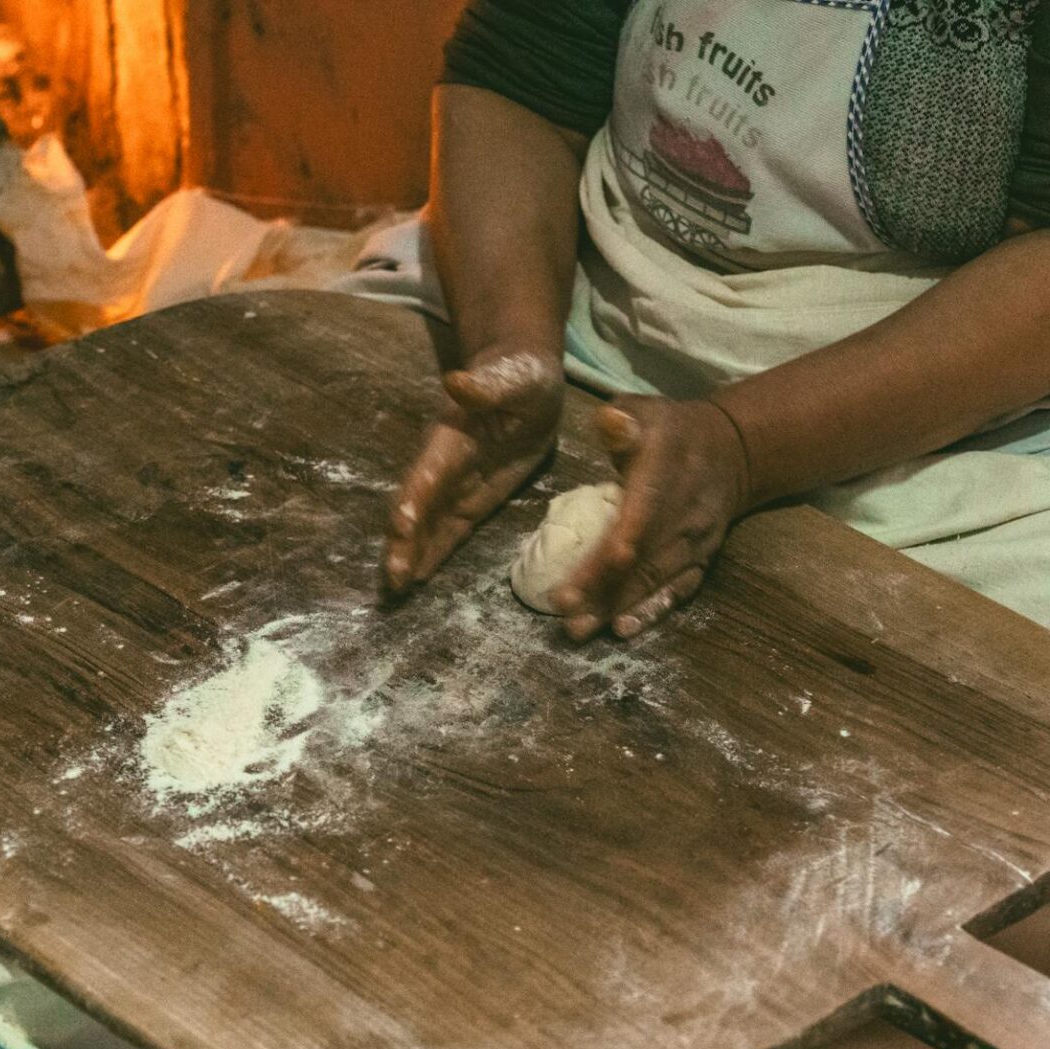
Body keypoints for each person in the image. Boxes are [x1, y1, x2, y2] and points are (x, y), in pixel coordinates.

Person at [379, 0, 1050, 639]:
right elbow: (518, 77)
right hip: (584, 292)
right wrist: (511, 340)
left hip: (936, 406)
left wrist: (745, 446)